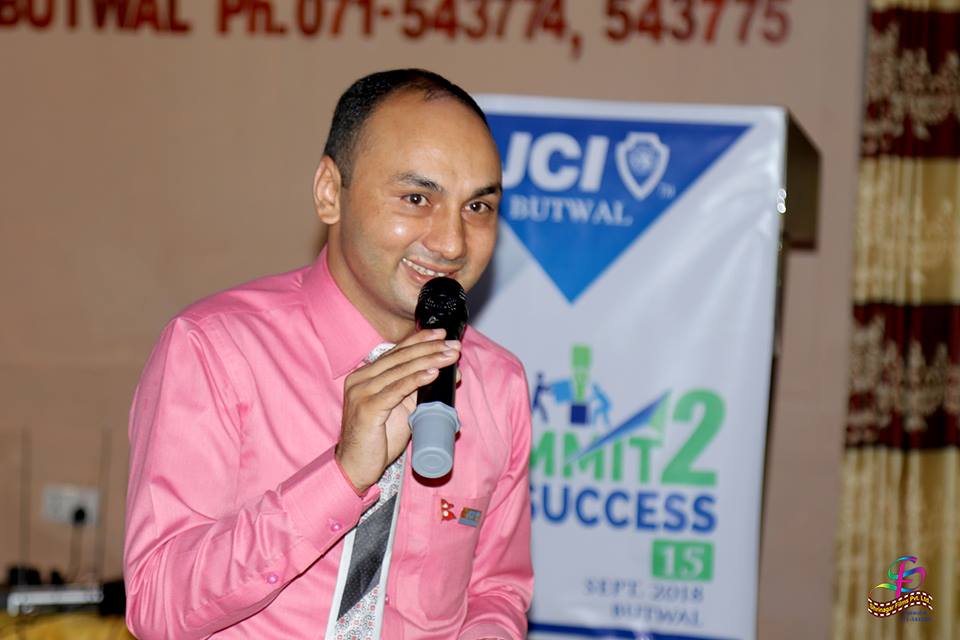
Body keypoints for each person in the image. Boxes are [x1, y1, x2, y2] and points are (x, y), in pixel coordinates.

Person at [123, 69, 533, 639]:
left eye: (479, 207)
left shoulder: (497, 382)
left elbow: (495, 592)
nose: (451, 243)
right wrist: (341, 476)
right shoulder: (216, 350)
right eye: (417, 198)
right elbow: (156, 605)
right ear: (328, 192)